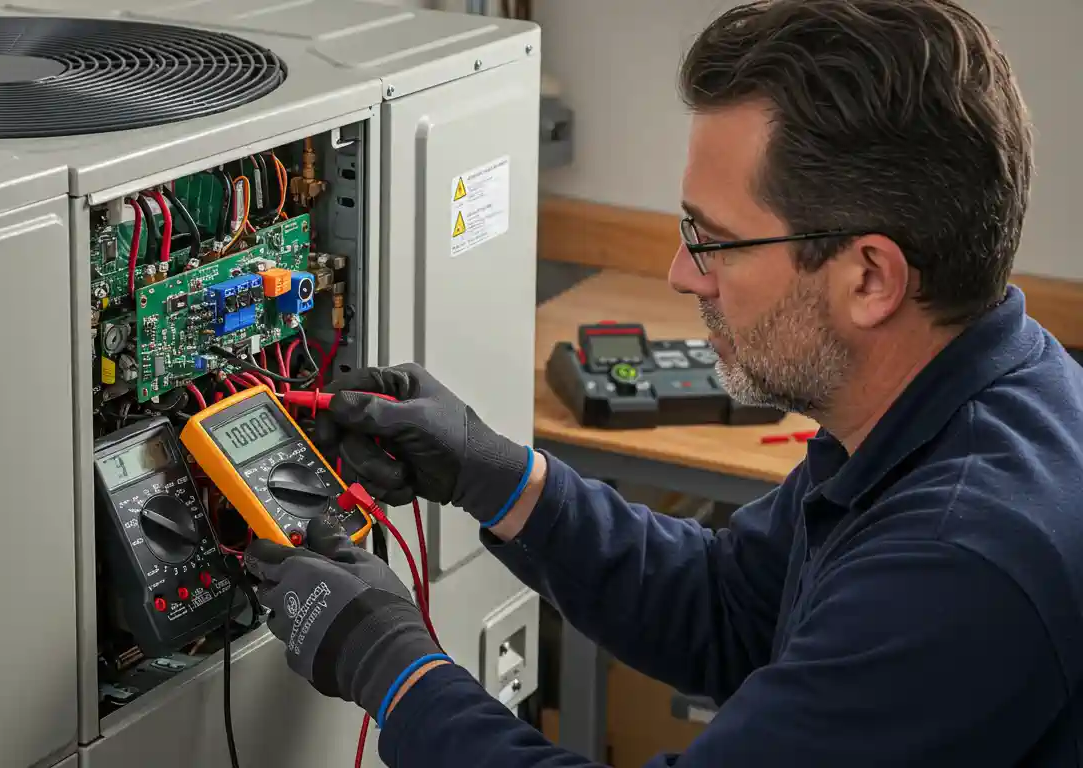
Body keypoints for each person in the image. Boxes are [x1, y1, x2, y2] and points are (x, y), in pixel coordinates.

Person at [243, 0, 1083, 765]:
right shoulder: (956, 398)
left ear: (870, 278)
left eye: (714, 241)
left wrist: (393, 670)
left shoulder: (957, 563)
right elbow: (729, 611)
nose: (683, 273)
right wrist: (495, 474)